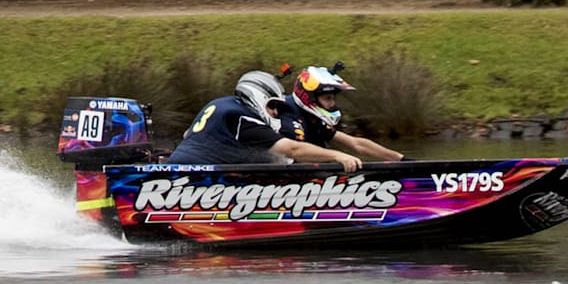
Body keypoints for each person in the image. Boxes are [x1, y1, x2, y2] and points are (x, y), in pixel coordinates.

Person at [167, 70, 362, 171]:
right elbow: (292, 149)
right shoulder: (243, 118)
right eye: (273, 106)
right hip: (196, 178)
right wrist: (337, 156)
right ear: (259, 96)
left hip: (179, 167)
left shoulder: (219, 103)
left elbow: (187, 134)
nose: (276, 113)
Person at [277, 63, 405, 162]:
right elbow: (296, 153)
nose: (332, 104)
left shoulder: (313, 118)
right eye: (327, 99)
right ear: (309, 97)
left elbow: (356, 144)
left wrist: (400, 159)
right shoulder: (287, 114)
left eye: (333, 98)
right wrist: (337, 156)